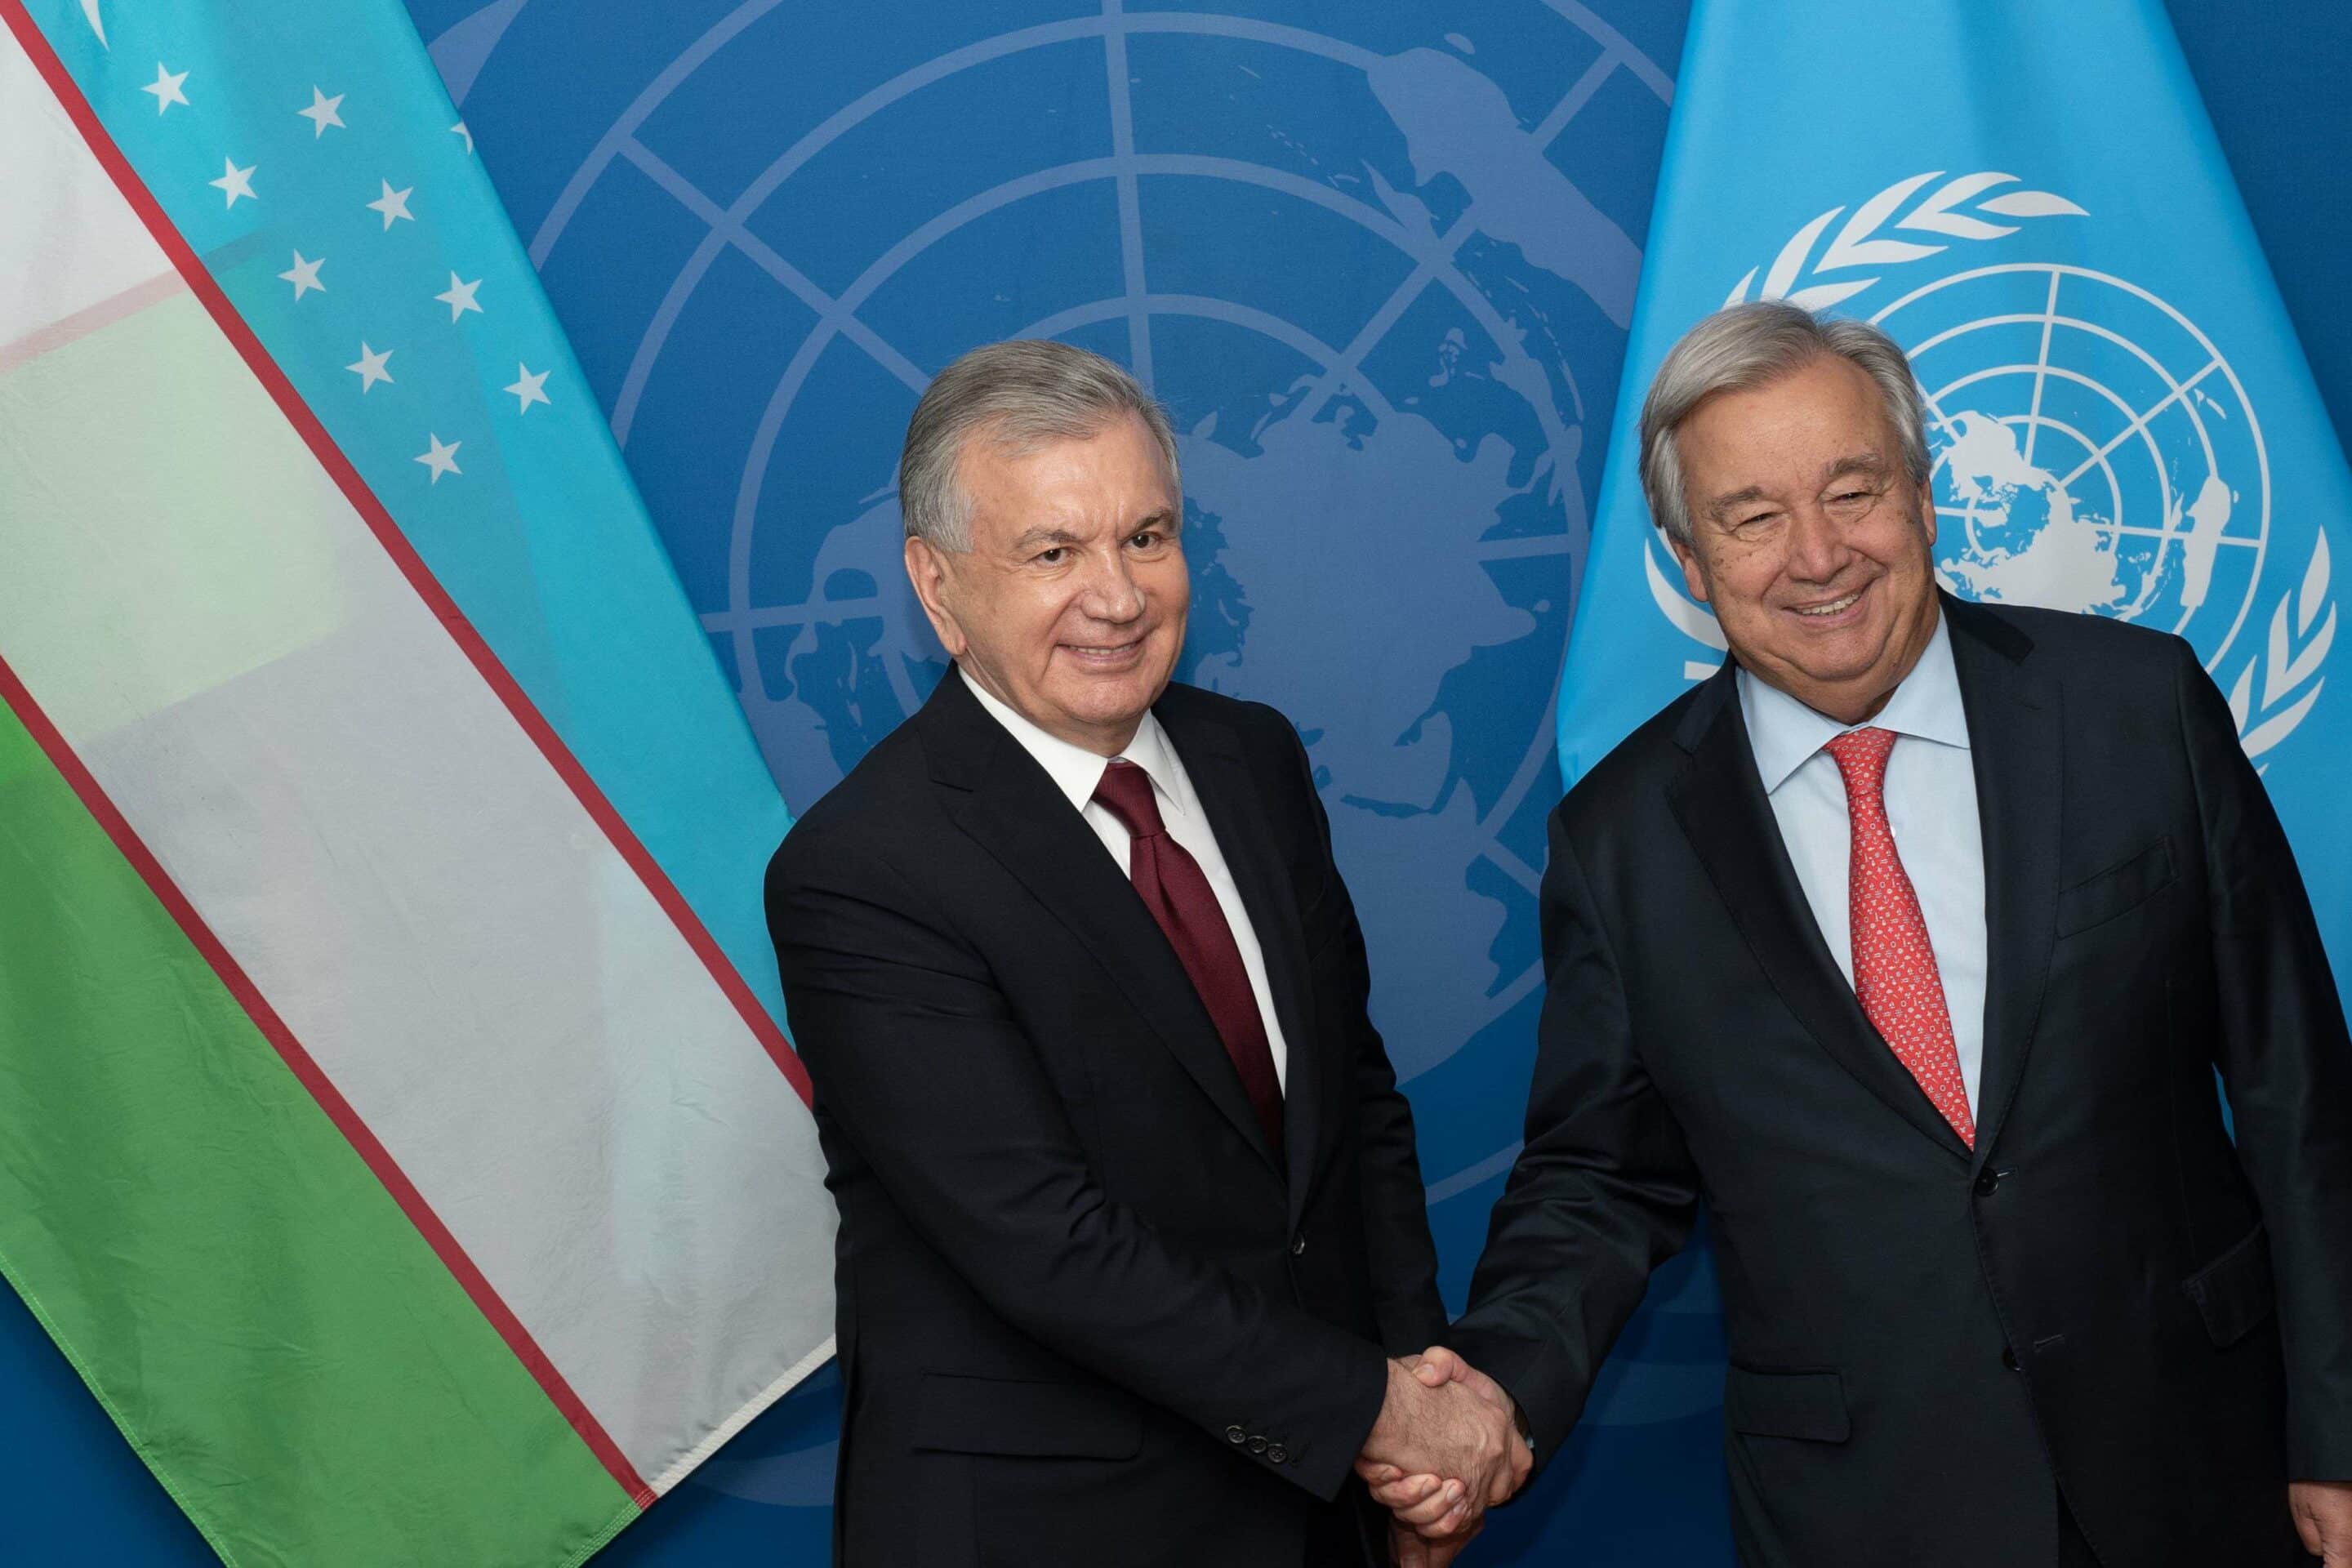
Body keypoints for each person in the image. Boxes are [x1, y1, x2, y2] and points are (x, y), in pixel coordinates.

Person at [1370, 301, 2352, 1566]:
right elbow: (1603, 1179)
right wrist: (1497, 1392)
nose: (1818, 554)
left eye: (1853, 490)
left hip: (2199, 1461)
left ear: (1925, 495)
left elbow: (2297, 1093)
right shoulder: (1621, 842)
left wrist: (2339, 1426)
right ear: (1685, 557)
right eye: (1753, 516)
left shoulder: (2136, 707)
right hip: (1868, 1510)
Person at [764, 340, 1521, 1567]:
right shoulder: (865, 870)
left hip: (1318, 1504)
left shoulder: (1253, 762)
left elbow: (1354, 1108)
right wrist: (1381, 1416)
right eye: (1052, 552)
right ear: (938, 585)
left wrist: (1404, 1415)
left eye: (1147, 537)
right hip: (1053, 1528)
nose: (1116, 597)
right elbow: (1047, 1242)